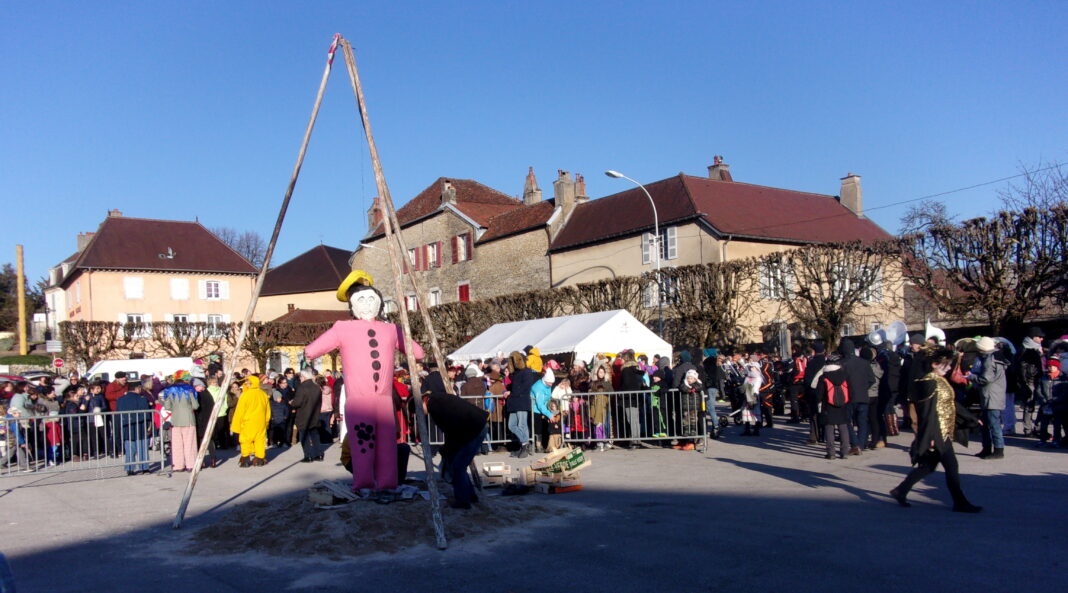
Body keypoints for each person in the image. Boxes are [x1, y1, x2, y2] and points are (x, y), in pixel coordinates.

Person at [305, 271, 425, 492]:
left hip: (382, 401)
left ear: (380, 304)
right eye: (361, 300)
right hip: (360, 401)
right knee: (363, 444)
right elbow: (312, 350)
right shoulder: (343, 328)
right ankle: (365, 482)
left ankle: (386, 483)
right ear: (352, 305)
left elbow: (417, 352)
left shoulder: (390, 329)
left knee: (386, 445)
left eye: (372, 299)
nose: (367, 304)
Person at [890, 348, 982, 513]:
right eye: (945, 365)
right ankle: (960, 502)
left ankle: (901, 490)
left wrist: (972, 418)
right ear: (934, 364)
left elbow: (951, 404)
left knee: (928, 466)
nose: (948, 368)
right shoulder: (928, 382)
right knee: (951, 466)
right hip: (937, 431)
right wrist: (930, 435)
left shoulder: (939, 380)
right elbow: (926, 413)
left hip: (944, 430)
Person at [423, 389, 488, 509]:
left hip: (473, 429)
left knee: (458, 468)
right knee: (460, 466)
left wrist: (447, 449)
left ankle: (463, 501)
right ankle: (470, 496)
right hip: (475, 425)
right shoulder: (437, 399)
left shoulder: (434, 405)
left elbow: (450, 428)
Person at [973, 337, 1008, 459]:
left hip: (990, 395)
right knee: (988, 424)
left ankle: (998, 450)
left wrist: (971, 377)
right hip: (995, 394)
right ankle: (987, 449)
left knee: (992, 424)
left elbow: (986, 378)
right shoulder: (998, 356)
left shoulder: (989, 359)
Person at [815, 352, 851, 459]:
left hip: (828, 405)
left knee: (829, 428)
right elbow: (851, 391)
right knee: (843, 427)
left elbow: (818, 394)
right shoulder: (845, 375)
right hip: (843, 404)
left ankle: (831, 452)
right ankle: (844, 451)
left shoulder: (824, 377)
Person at [161, 371, 199, 472]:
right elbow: (195, 405)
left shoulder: (169, 390)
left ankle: (178, 465)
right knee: (189, 443)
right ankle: (190, 465)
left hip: (175, 420)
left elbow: (167, 406)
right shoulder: (190, 389)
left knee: (177, 444)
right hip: (189, 419)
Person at [231, 375, 271, 467]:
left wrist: (235, 426)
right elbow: (267, 411)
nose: (246, 384)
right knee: (260, 440)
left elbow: (239, 412)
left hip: (248, 422)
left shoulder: (245, 395)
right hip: (260, 422)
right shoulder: (263, 394)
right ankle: (260, 459)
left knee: (245, 440)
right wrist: (266, 422)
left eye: (248, 383)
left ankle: (245, 459)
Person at [116, 382, 152, 475]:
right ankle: (144, 468)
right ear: (137, 388)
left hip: (127, 426)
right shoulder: (142, 399)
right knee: (142, 448)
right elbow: (146, 414)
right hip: (140, 426)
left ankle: (130, 468)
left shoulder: (120, 399)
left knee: (129, 449)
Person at [505, 350, 536, 458]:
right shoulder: (515, 373)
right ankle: (525, 443)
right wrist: (508, 377)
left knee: (522, 425)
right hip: (514, 401)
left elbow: (525, 387)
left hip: (521, 401)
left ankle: (524, 446)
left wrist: (511, 392)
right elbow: (513, 386)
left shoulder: (527, 372)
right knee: (511, 425)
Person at [1016, 326, 1045, 436]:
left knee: (1043, 403)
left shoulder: (1037, 348)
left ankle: (1038, 427)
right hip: (1030, 380)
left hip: (1038, 378)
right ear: (1033, 337)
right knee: (1029, 404)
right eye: (1040, 337)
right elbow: (1022, 368)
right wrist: (1024, 383)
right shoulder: (1026, 349)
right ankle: (1028, 429)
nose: (1042, 339)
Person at [291, 369, 323, 463]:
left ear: (304, 377)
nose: (300, 378)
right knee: (315, 435)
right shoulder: (316, 387)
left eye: (300, 376)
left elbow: (297, 402)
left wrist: (292, 403)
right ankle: (319, 454)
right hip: (315, 414)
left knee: (304, 436)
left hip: (304, 415)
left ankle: (308, 456)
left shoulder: (302, 387)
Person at [193, 378, 217, 469]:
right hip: (208, 419)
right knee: (209, 440)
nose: (195, 388)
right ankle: (213, 459)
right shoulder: (208, 394)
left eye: (196, 386)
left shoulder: (199, 395)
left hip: (201, 420)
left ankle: (201, 461)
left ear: (201, 386)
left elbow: (197, 408)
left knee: (200, 440)